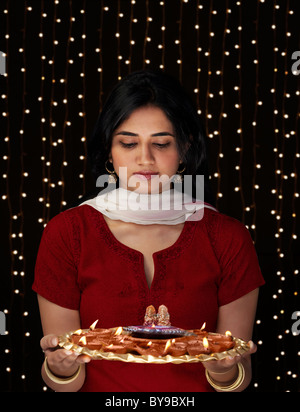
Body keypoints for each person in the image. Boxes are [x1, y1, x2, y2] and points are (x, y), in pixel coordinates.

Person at [33, 70, 265, 392]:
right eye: (128, 143)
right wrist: (59, 368)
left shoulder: (227, 237)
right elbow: (66, 383)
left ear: (184, 148)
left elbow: (237, 379)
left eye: (161, 143)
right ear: (109, 153)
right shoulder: (67, 233)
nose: (145, 159)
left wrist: (222, 369)